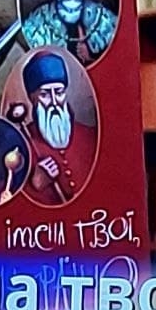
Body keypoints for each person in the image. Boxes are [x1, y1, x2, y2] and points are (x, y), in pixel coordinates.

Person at [9, 50, 98, 205]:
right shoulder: (20, 145)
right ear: (32, 98)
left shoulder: (90, 136)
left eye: (59, 92)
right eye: (45, 94)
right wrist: (35, 184)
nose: (54, 103)